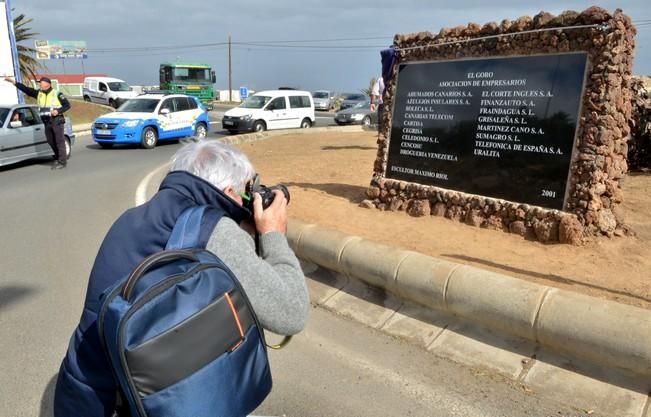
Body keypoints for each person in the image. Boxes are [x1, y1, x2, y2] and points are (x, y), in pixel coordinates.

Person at [53, 141, 310, 417]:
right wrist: (273, 234)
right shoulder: (214, 231)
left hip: (90, 391)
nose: (250, 200)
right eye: (246, 191)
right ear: (227, 192)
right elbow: (291, 311)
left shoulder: (133, 217)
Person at [3, 76, 71, 169]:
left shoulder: (57, 93)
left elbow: (67, 105)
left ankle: (62, 162)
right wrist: (13, 82)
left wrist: (58, 111)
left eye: (41, 83)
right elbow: (26, 89)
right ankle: (58, 157)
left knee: (59, 141)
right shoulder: (39, 93)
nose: (39, 84)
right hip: (46, 121)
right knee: (50, 140)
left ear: (47, 84)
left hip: (57, 120)